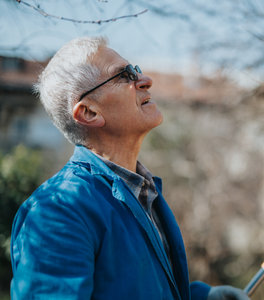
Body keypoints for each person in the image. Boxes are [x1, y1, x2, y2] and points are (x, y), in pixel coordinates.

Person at [10, 37, 249, 300]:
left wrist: (202, 297)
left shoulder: (141, 191)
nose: (145, 80)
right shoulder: (57, 211)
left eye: (134, 69)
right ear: (89, 112)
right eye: (124, 75)